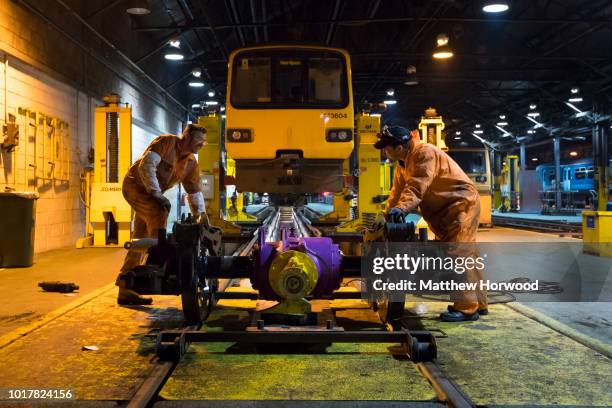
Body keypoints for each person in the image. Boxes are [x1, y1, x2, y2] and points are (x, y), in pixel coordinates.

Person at [374, 125, 488, 322]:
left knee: (457, 254)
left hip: (460, 205)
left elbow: (417, 185)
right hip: (445, 212)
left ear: (400, 146)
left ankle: (467, 309)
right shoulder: (403, 164)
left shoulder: (424, 153)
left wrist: (401, 209)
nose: (385, 152)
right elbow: (397, 193)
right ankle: (480, 303)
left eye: (387, 148)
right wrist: (386, 219)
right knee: (468, 254)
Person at [116, 124, 209, 305]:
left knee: (141, 238)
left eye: (204, 142)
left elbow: (194, 194)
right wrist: (156, 193)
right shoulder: (166, 142)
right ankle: (156, 264)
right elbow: (146, 165)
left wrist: (202, 218)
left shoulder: (190, 163)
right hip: (135, 187)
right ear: (187, 136)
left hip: (151, 194)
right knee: (160, 213)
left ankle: (125, 285)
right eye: (199, 140)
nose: (202, 144)